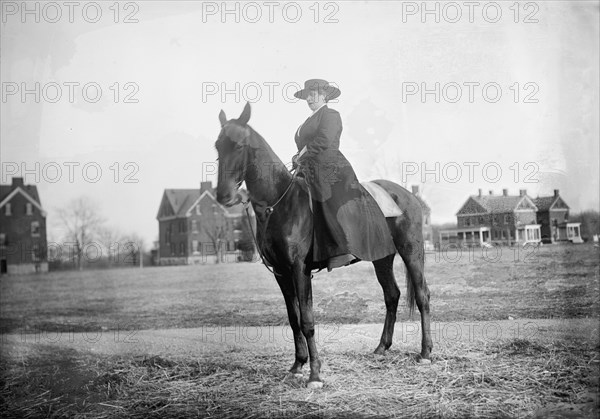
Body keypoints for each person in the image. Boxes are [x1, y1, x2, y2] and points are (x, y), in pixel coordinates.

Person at [292, 79, 396, 271]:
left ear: (324, 96)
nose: (310, 98)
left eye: (314, 94)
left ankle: (340, 249)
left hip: (329, 167)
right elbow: (303, 148)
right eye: (307, 95)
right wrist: (297, 156)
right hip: (308, 166)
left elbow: (325, 139)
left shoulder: (331, 115)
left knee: (323, 196)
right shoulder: (306, 122)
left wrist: (305, 151)